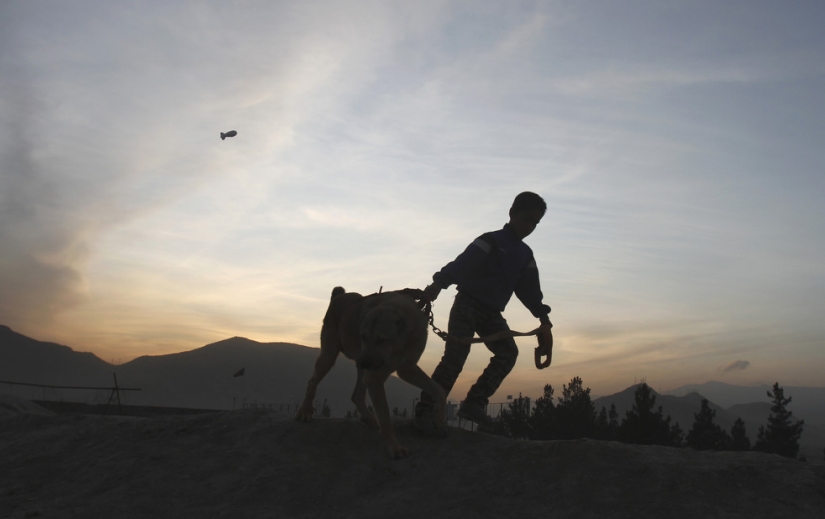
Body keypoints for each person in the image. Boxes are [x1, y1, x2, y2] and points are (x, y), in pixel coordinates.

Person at [414, 191, 554, 433]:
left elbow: (530, 290)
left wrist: (543, 318)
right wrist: (438, 284)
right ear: (512, 214)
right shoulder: (490, 241)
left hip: (491, 314)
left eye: (535, 223)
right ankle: (426, 411)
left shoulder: (525, 255)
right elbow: (462, 264)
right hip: (467, 304)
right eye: (527, 219)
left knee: (508, 353)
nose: (530, 226)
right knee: (455, 358)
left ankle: (474, 404)